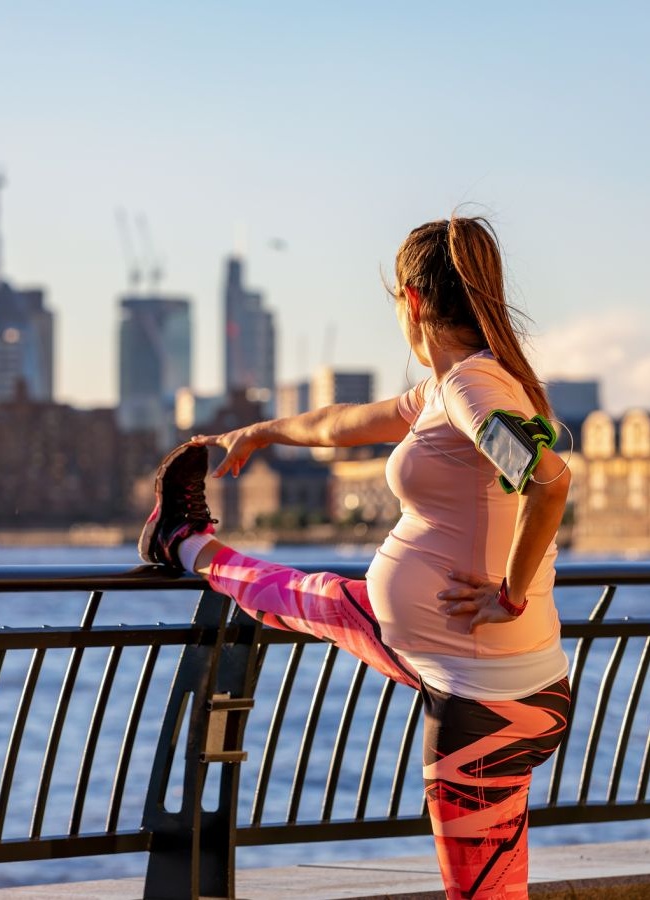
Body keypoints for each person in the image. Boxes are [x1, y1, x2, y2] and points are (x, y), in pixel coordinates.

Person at [138, 215, 572, 899]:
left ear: (413, 300)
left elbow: (548, 480)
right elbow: (341, 424)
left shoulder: (470, 390)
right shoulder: (452, 386)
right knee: (315, 599)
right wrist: (262, 432)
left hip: (483, 698)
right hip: (486, 670)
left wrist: (509, 593)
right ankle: (185, 540)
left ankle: (183, 542)